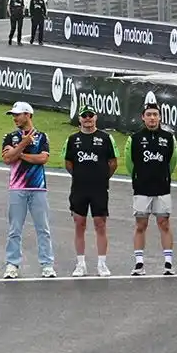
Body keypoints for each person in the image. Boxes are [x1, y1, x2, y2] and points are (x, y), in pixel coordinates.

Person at [0, 101, 55, 279]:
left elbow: (42, 159)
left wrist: (19, 154)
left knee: (43, 229)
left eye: (18, 114)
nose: (15, 118)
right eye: (13, 115)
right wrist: (23, 144)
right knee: (14, 229)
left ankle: (47, 264)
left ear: (28, 115)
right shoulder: (10, 137)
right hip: (17, 188)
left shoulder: (42, 136)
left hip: (38, 188)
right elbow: (7, 159)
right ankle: (12, 264)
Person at [64, 106, 117, 277]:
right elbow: (68, 164)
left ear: (96, 117)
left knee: (100, 224)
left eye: (90, 116)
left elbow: (113, 163)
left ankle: (102, 264)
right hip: (79, 188)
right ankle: (81, 264)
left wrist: (102, 178)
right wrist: (81, 177)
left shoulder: (106, 138)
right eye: (84, 116)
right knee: (79, 224)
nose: (87, 119)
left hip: (99, 189)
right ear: (79, 119)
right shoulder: (72, 139)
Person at [129, 103, 177, 275]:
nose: (152, 117)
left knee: (164, 223)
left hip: (162, 189)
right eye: (148, 114)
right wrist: (138, 178)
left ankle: (168, 263)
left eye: (155, 114)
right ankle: (139, 263)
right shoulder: (134, 138)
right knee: (140, 224)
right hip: (142, 189)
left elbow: (172, 162)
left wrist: (164, 176)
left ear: (160, 117)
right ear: (143, 117)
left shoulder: (169, 138)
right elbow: (130, 164)